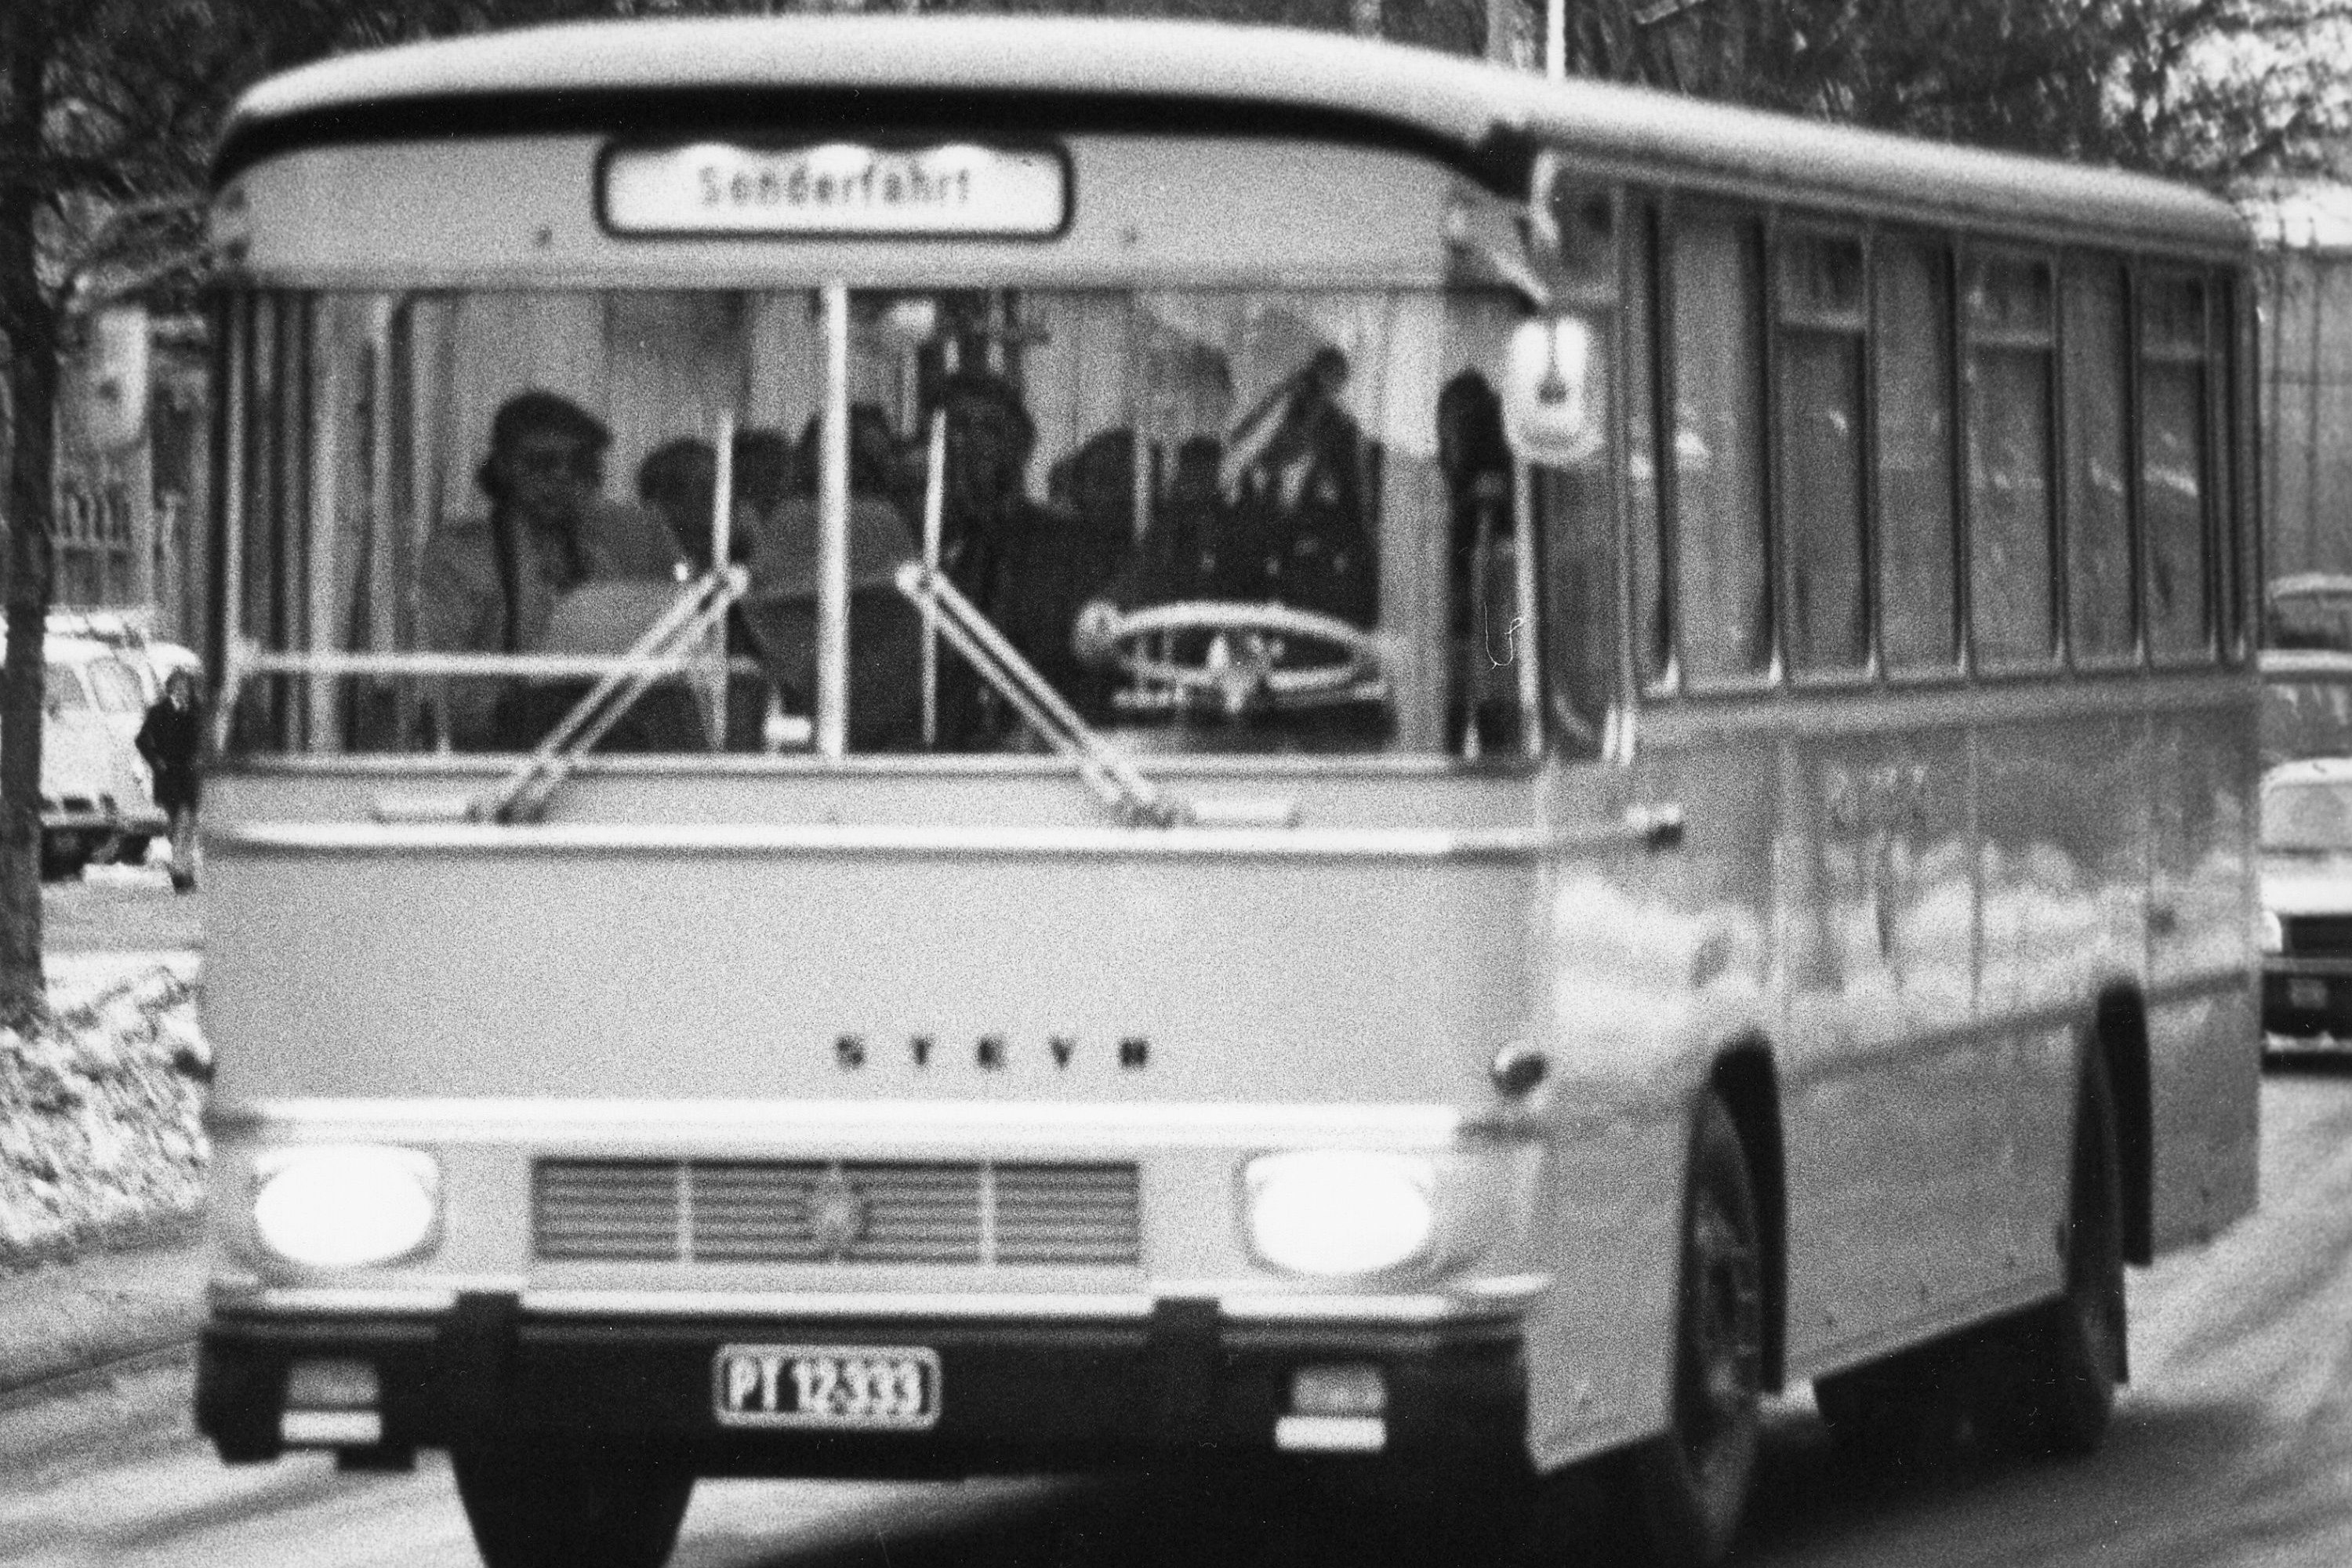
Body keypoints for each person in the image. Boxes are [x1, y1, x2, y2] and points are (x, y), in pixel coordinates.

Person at [418, 390, 626, 748]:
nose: (561, 478)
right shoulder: (457, 557)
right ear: (503, 466)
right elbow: (433, 686)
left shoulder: (598, 564)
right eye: (541, 463)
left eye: (578, 466)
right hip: (486, 761)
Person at [929, 372, 1129, 741]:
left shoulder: (1067, 547)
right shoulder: (923, 549)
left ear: (1021, 446)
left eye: (990, 429)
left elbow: (1088, 667)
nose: (972, 445)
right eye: (958, 429)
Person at [136, 668, 203, 894]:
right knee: (178, 825)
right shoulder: (158, 712)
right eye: (178, 685)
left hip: (190, 775)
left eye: (186, 686)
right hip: (169, 777)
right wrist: (157, 762)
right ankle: (181, 872)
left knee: (187, 823)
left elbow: (202, 741)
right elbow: (142, 740)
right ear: (171, 687)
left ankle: (182, 870)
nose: (183, 690)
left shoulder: (196, 711)